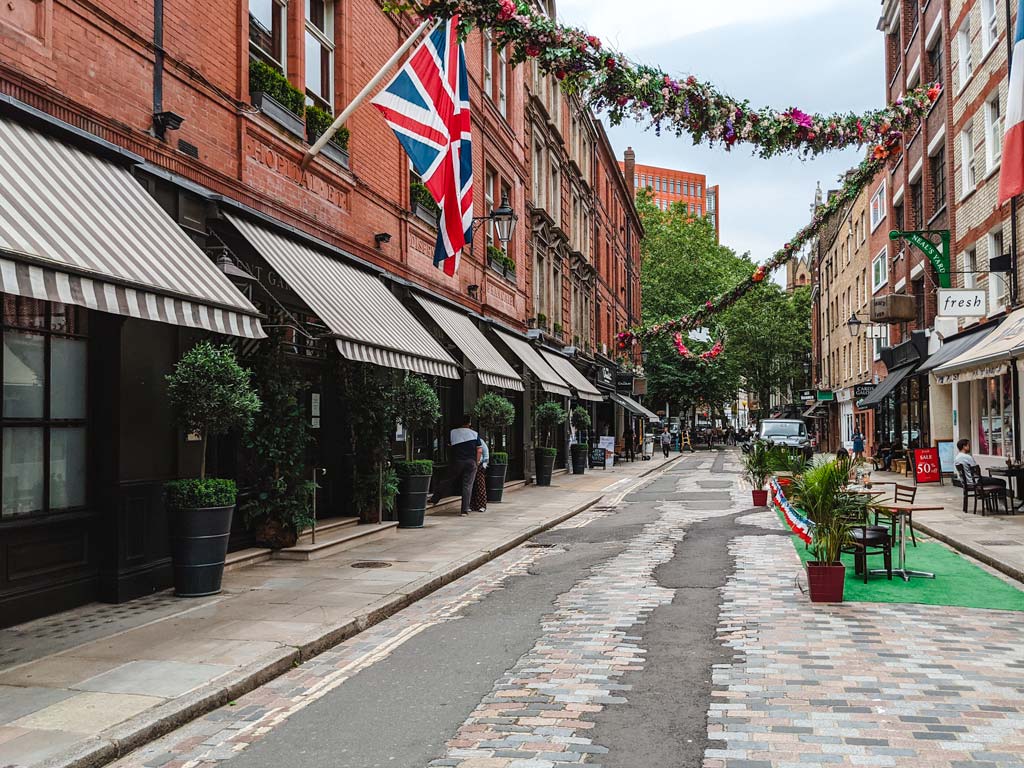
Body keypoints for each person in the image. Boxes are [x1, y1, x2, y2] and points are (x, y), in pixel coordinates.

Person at [430, 414, 482, 516]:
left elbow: (449, 446)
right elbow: (479, 449)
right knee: (467, 485)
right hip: (471, 462)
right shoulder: (474, 434)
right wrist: (477, 461)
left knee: (447, 480)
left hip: (457, 461)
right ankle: (464, 510)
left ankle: (435, 498)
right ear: (469, 423)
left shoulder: (453, 432)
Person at [470, 438, 489, 513]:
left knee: (480, 485)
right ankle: (472, 505)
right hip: (470, 465)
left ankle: (482, 505)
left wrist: (484, 464)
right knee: (471, 486)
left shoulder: (479, 440)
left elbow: (485, 452)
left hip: (479, 465)